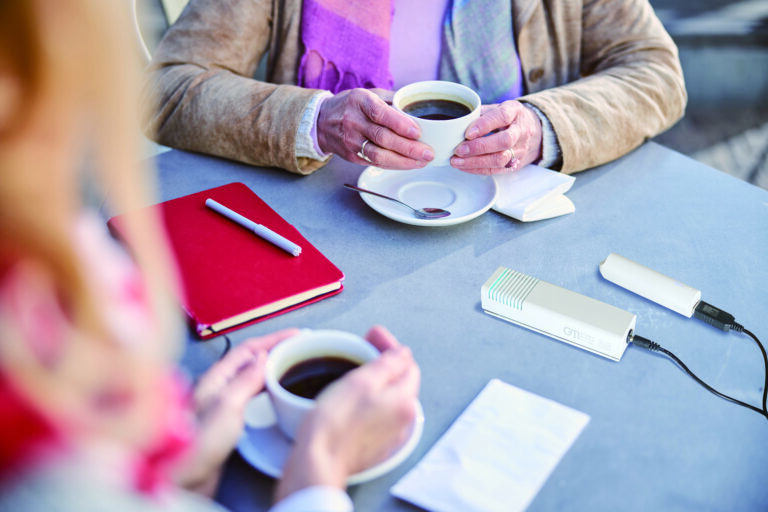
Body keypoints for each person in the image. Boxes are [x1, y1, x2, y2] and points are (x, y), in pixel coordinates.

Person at [0, 1, 419, 511]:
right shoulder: (39, 342)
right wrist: (319, 467)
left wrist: (181, 467)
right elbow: (166, 88)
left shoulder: (61, 264)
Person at [143, 0, 686, 177]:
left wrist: (543, 128)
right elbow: (164, 90)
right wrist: (314, 121)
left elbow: (655, 70)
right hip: (329, 230)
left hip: (514, 236)